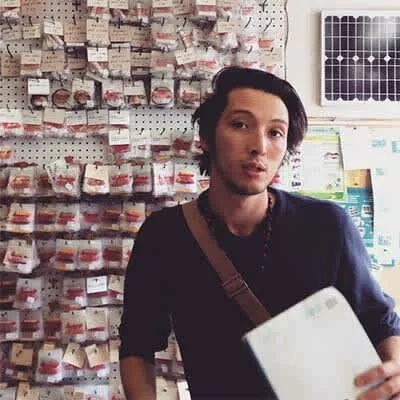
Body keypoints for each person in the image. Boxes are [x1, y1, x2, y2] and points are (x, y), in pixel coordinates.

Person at [119, 67, 400, 400]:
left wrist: (393, 371)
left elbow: (380, 321)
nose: (259, 146)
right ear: (207, 137)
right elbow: (137, 343)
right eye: (240, 125)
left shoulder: (327, 226)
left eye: (275, 132)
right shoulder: (164, 236)